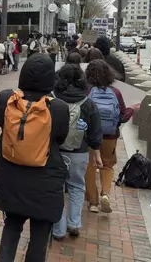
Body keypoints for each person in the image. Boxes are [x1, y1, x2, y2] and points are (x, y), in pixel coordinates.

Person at [0, 54, 70, 261]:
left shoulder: (6, 99)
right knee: (40, 233)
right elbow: (60, 139)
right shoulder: (59, 108)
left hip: (11, 176)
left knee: (12, 226)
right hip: (45, 179)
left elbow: (2, 124)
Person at [51, 64, 103, 240]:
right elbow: (95, 133)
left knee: (56, 189)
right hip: (79, 151)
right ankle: (74, 223)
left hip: (55, 150)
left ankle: (58, 229)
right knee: (77, 187)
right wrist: (96, 153)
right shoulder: (88, 103)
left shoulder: (53, 100)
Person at [84, 59, 133, 214]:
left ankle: (93, 203)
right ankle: (105, 193)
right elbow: (123, 116)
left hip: (90, 136)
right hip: (110, 136)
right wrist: (132, 110)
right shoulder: (115, 92)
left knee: (90, 167)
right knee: (107, 165)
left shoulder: (87, 90)